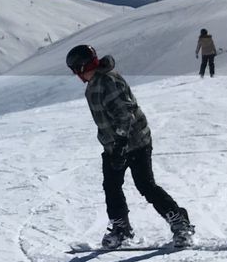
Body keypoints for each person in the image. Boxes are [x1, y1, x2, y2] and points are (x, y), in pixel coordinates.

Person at [66, 44, 195, 248]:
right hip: (113, 145)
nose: (76, 75)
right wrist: (114, 145)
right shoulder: (94, 83)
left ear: (81, 68)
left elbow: (125, 113)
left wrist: (121, 142)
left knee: (145, 185)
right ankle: (121, 228)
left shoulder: (107, 81)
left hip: (135, 142)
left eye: (75, 70)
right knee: (111, 186)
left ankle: (180, 222)